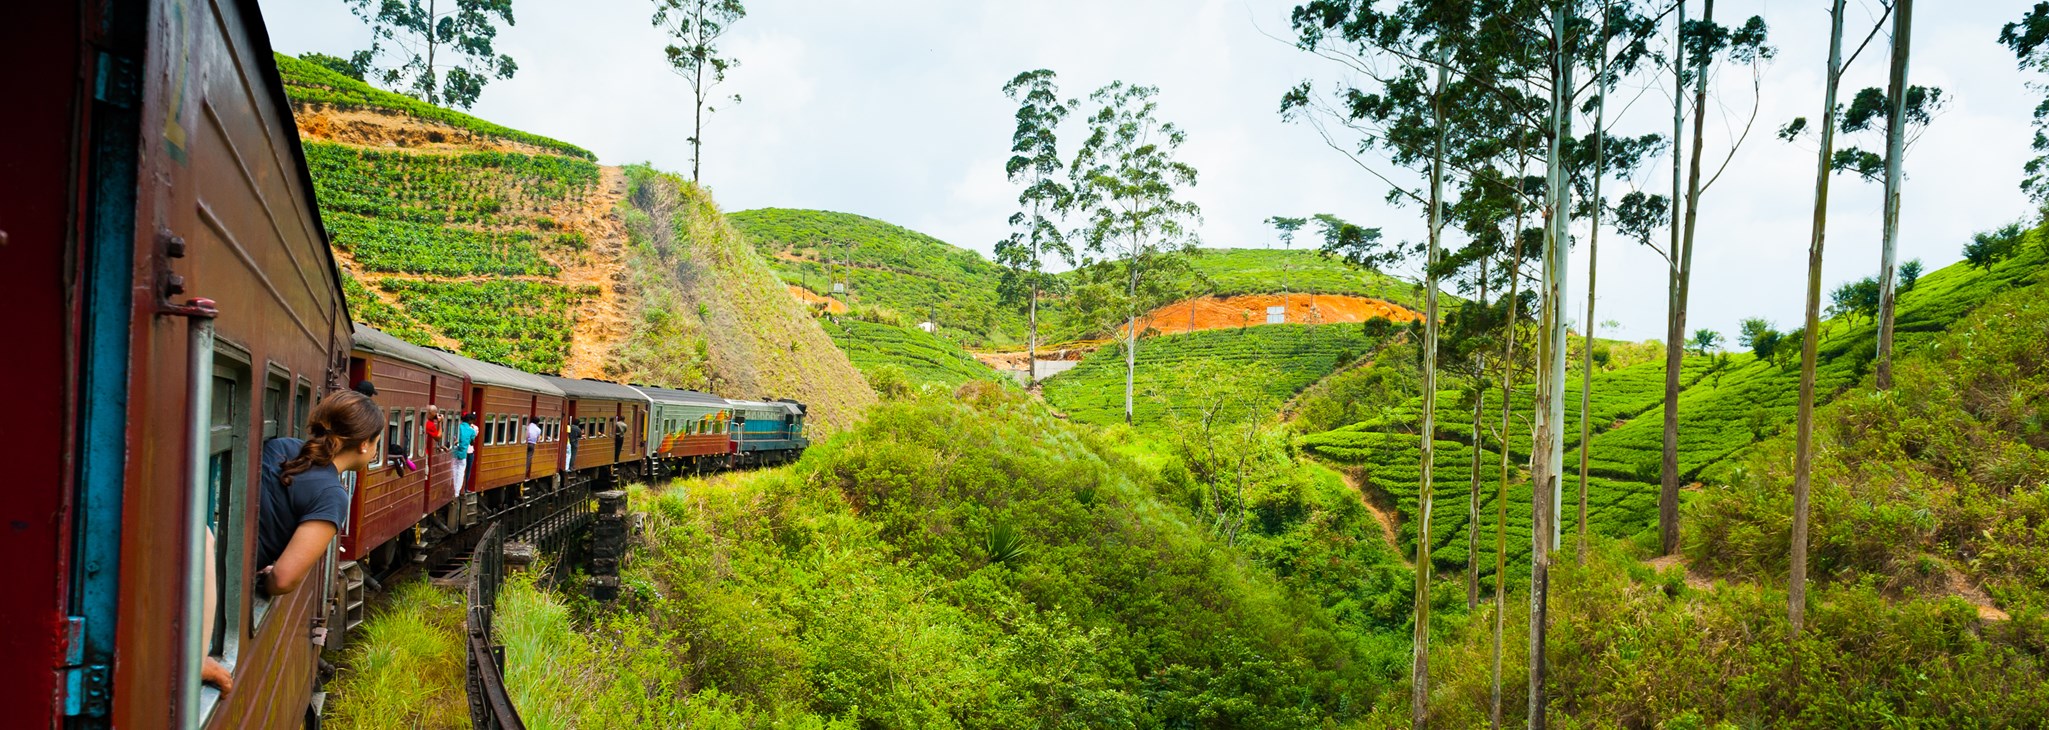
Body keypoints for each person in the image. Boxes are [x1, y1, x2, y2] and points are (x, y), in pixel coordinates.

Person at [257, 390, 382, 602]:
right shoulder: (332, 495)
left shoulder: (283, 446)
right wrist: (263, 581)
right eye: (376, 442)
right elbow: (283, 580)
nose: (375, 450)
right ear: (363, 445)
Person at [452, 413, 477, 497]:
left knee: (454, 469)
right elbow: (472, 443)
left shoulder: (458, 426)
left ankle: (453, 487)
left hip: (455, 452)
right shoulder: (472, 431)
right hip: (463, 454)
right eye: (473, 421)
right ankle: (457, 492)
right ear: (470, 420)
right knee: (461, 472)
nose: (472, 423)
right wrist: (472, 439)